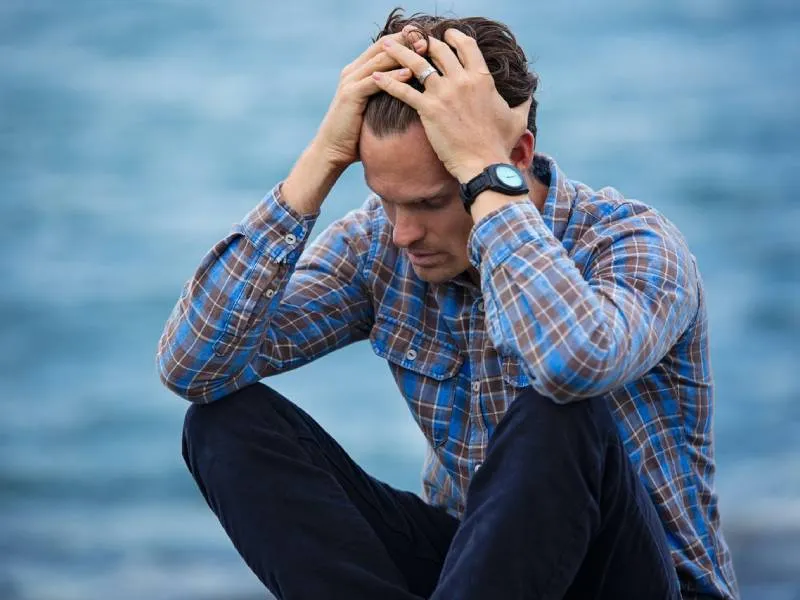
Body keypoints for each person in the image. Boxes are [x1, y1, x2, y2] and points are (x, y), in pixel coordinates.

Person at [157, 9, 739, 600]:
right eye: (387, 201)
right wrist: (320, 161)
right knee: (223, 424)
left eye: (432, 202)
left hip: (639, 581)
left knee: (560, 410)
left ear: (513, 158)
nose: (403, 232)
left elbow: (571, 363)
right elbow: (193, 367)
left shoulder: (632, 245)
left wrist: (487, 182)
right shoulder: (381, 247)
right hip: (477, 570)